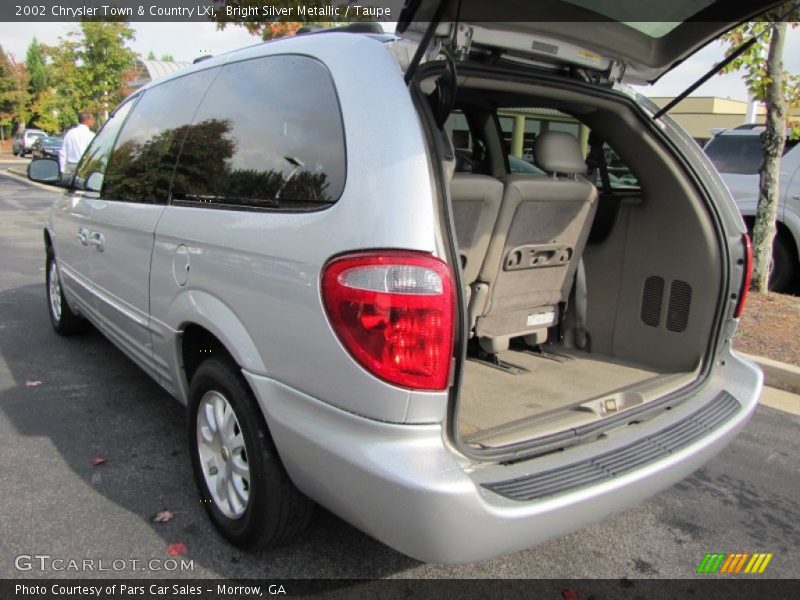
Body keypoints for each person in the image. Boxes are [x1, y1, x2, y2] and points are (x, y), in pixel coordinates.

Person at [58, 112, 95, 176]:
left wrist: (62, 169)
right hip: (83, 166)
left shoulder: (70, 133)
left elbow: (63, 152)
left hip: (70, 166)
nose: (93, 121)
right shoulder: (91, 135)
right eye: (92, 119)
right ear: (87, 120)